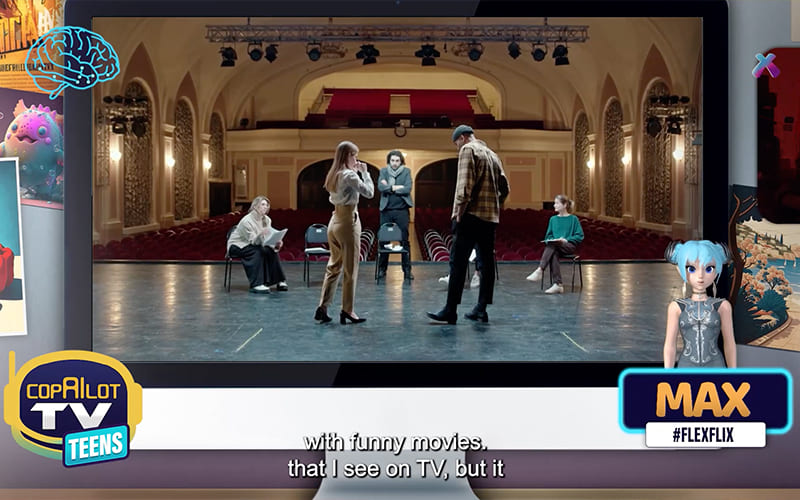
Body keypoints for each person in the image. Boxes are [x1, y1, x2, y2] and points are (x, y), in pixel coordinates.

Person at [427, 125, 509, 324]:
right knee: (486, 263)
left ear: (462, 137)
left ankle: (450, 310)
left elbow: (464, 186)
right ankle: (481, 309)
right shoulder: (493, 155)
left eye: (456, 143)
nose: (457, 147)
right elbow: (505, 188)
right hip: (489, 218)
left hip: (470, 216)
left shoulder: (468, 150)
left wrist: (458, 213)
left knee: (458, 263)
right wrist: (494, 205)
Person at [315, 141, 375, 324]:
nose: (356, 159)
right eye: (354, 155)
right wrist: (365, 173)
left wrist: (355, 172)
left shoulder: (334, 174)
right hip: (348, 222)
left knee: (333, 267)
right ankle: (348, 310)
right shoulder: (349, 175)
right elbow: (369, 193)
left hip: (334, 221)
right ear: (347, 156)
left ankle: (323, 306)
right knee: (350, 269)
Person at [663, 240, 737, 368]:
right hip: (686, 367)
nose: (701, 276)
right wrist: (667, 375)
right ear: (680, 270)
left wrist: (733, 374)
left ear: (717, 270)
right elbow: (670, 345)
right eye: (691, 269)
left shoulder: (723, 306)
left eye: (709, 269)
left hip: (716, 367)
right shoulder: (676, 307)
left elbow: (730, 343)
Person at [227, 196, 288, 294]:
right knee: (257, 251)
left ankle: (279, 280)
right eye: (263, 204)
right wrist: (261, 235)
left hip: (253, 244)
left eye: (267, 205)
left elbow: (267, 237)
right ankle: (256, 284)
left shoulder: (267, 220)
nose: (265, 207)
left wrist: (276, 242)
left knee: (270, 250)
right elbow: (253, 241)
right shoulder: (246, 221)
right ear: (255, 206)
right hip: (237, 245)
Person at [525, 194, 584, 294]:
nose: (554, 205)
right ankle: (558, 285)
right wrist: (554, 240)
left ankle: (540, 270)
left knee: (553, 246)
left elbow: (580, 236)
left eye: (557, 203)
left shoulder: (573, 219)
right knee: (553, 250)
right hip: (556, 247)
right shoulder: (553, 219)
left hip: (569, 246)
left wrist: (566, 240)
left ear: (564, 205)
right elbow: (548, 237)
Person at [377, 150, 414, 280]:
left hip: (402, 211)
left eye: (397, 161)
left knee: (404, 241)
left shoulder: (406, 171)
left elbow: (407, 188)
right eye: (392, 160)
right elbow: (381, 188)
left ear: (401, 162)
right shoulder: (383, 171)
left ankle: (407, 271)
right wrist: (397, 187)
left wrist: (390, 187)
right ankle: (382, 270)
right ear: (389, 161)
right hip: (386, 210)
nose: (394, 163)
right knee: (384, 241)